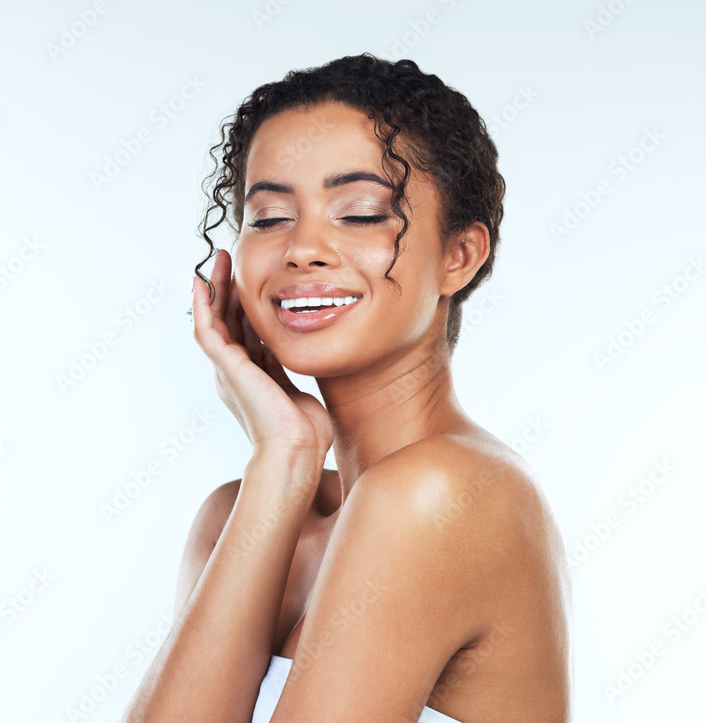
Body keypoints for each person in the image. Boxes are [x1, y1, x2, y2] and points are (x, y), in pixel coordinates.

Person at [124, 53, 572, 722]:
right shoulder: (239, 514)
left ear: (460, 255)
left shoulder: (442, 493)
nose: (303, 248)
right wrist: (284, 457)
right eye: (269, 217)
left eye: (360, 213)